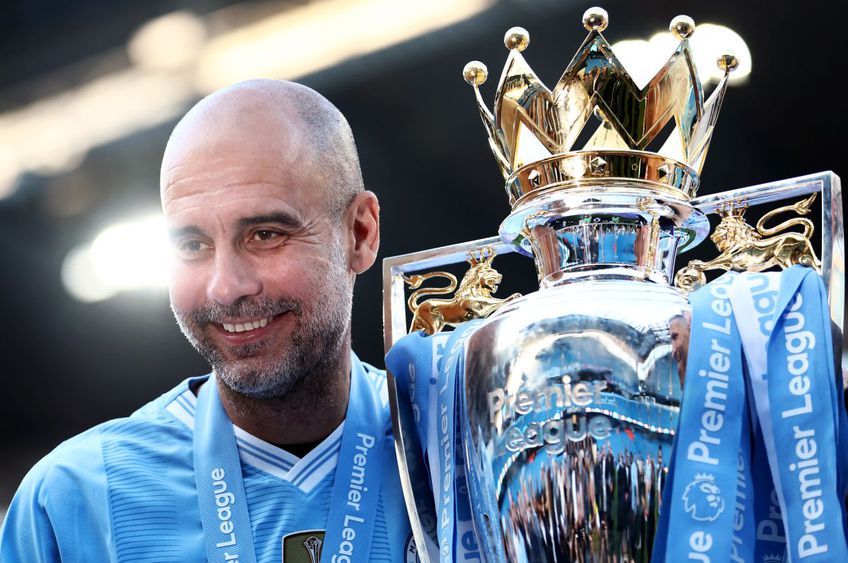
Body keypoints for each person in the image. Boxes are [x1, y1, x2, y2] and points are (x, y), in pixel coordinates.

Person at [0, 80, 414, 562]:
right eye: (192, 245)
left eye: (265, 234)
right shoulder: (72, 499)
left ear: (360, 233)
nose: (225, 286)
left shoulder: (456, 451)